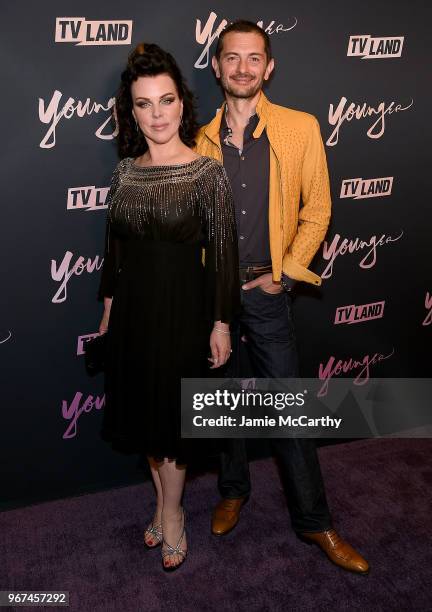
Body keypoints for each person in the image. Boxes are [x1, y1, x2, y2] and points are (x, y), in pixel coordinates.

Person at [194, 20, 369, 574]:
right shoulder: (197, 139)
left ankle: (316, 522)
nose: (242, 68)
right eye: (232, 58)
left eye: (254, 58)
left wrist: (285, 274)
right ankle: (233, 489)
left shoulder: (299, 128)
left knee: (289, 410)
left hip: (269, 291)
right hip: (215, 295)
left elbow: (317, 209)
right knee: (222, 404)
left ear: (268, 67)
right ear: (217, 66)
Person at [97, 43, 239, 571]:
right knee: (146, 421)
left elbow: (224, 254)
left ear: (183, 103)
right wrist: (109, 311)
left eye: (165, 100)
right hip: (134, 313)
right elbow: (114, 251)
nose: (156, 114)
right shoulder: (125, 173)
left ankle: (174, 515)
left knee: (173, 423)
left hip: (183, 312)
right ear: (130, 111)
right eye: (143, 103)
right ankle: (161, 504)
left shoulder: (206, 174)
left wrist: (221, 321)